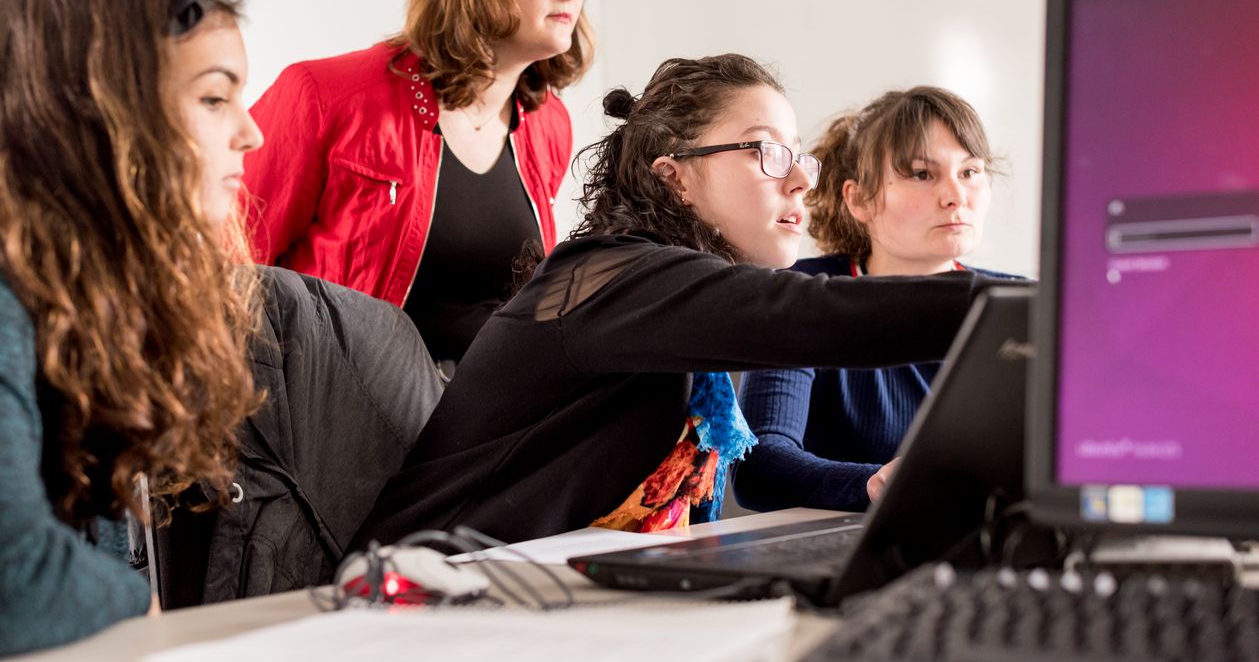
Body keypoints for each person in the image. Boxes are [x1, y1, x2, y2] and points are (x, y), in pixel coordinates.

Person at [351, 56, 1007, 549]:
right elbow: (814, 314)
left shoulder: (672, 304)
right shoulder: (610, 275)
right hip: (421, 600)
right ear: (677, 177)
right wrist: (1064, 297)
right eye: (766, 152)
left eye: (797, 154)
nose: (804, 177)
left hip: (549, 601)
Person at [0, 0, 265, 653]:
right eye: (214, 97)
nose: (252, 131)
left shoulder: (86, 292)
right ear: (98, 111)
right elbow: (15, 578)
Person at [243, 0, 597, 371]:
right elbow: (227, 266)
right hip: (341, 408)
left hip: (486, 413)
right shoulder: (323, 94)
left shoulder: (548, 123)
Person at [733, 86, 1021, 514]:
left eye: (970, 172)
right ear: (860, 199)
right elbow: (759, 469)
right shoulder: (799, 294)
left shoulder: (1025, 304)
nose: (956, 196)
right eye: (923, 174)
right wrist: (871, 484)